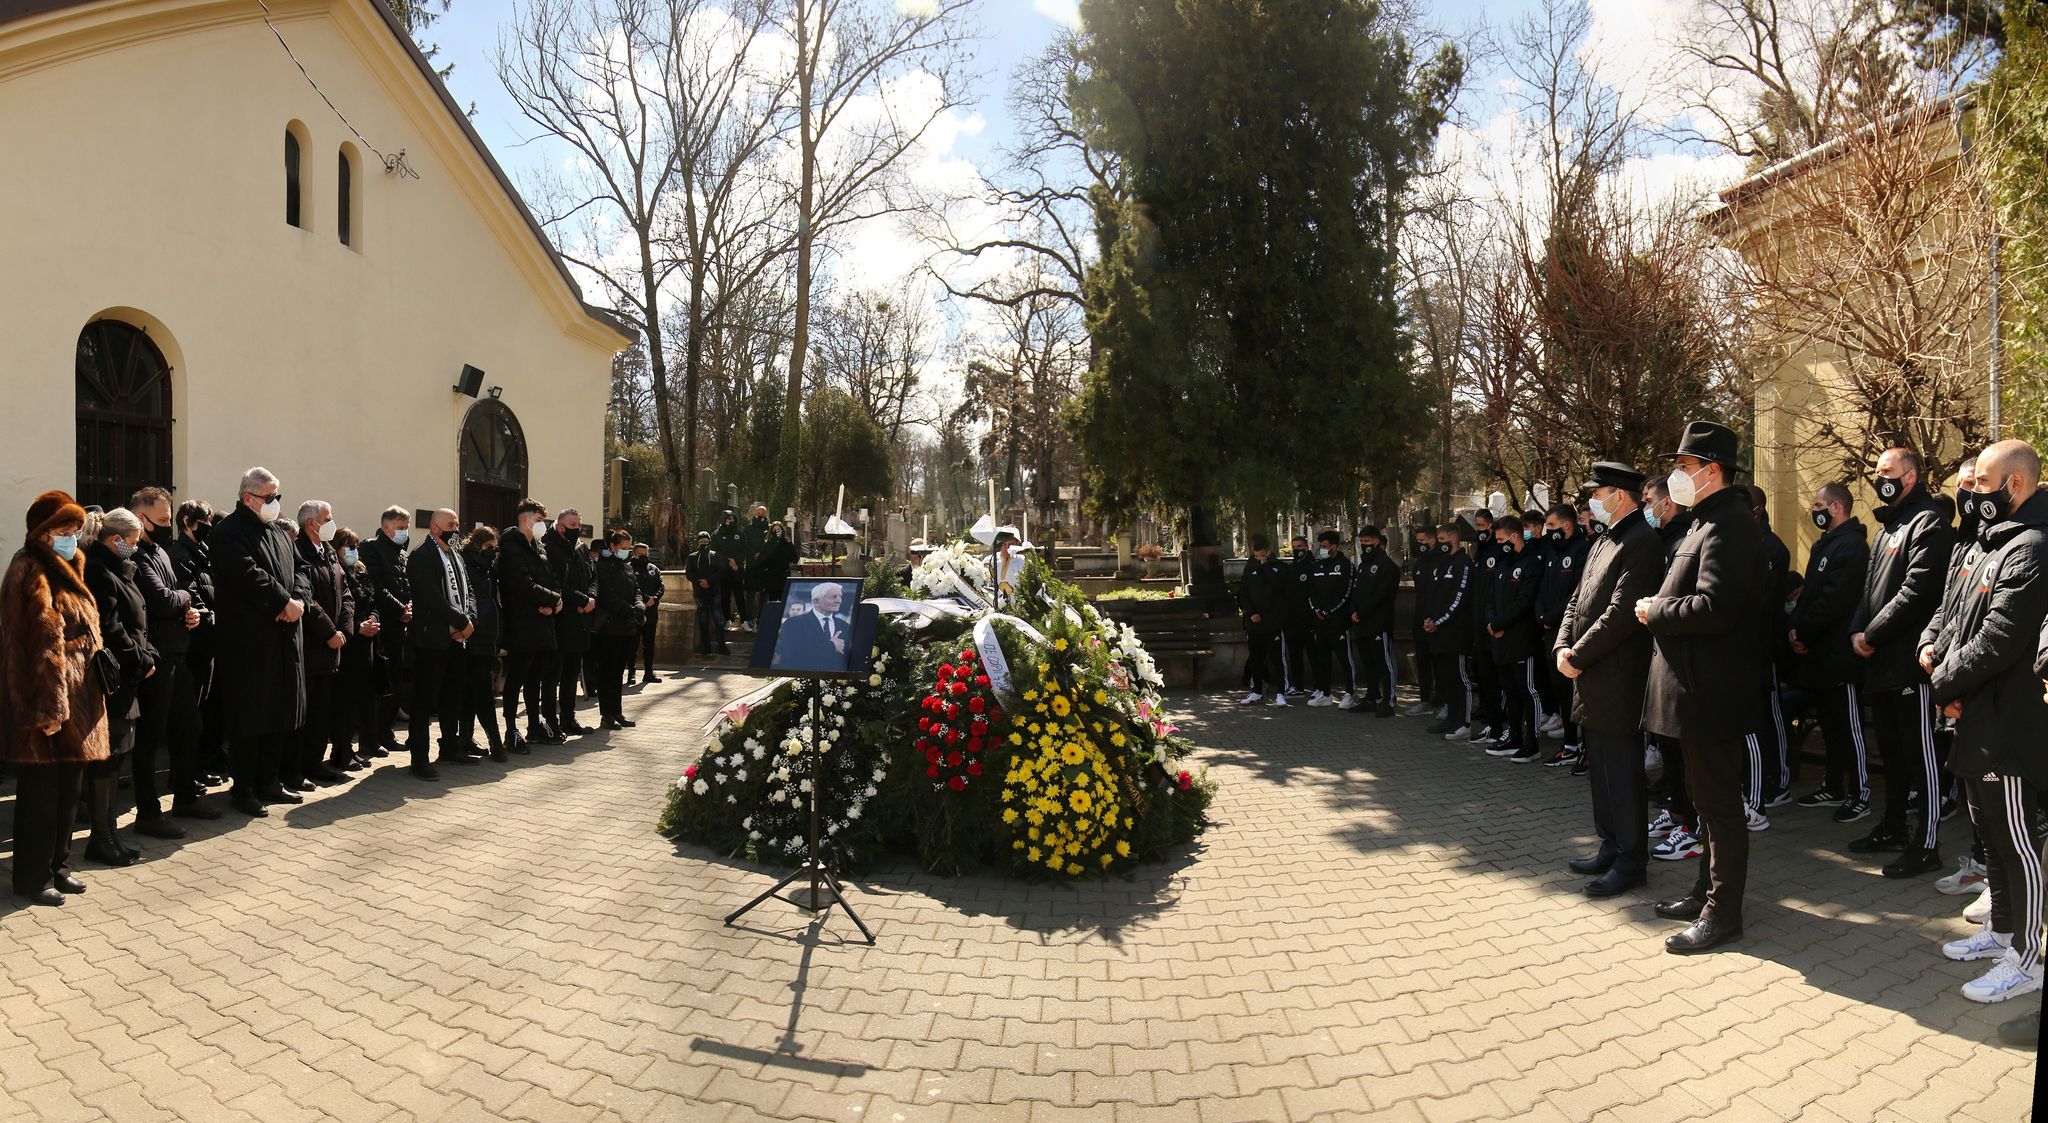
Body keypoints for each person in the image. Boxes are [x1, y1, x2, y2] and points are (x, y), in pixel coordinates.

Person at [1920, 438, 2048, 1004]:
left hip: (2008, 725)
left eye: (1984, 484)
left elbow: (2000, 637)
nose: (1973, 495)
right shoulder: (1989, 542)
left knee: (2016, 842)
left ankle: (2027, 958)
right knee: (1991, 836)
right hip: (1975, 716)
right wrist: (1934, 658)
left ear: (2015, 484)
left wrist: (1945, 684)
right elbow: (1955, 616)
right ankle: (2001, 931)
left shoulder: (2032, 547)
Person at [1636, 421, 1765, 954]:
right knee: (1703, 801)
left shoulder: (1729, 525)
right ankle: (1703, 892)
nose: (1677, 475)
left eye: (1685, 466)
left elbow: (1716, 607)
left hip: (1710, 692)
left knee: (1719, 805)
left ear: (1712, 470)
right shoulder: (1704, 521)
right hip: (1692, 691)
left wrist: (1656, 610)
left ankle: (1723, 913)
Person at [1845, 447, 1955, 877]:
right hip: (1880, 664)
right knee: (1890, 752)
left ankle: (1926, 844)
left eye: (1886, 471)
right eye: (1876, 471)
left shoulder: (1929, 522)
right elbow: (1868, 588)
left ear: (1909, 476)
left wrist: (1870, 635)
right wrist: (1857, 630)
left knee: (1920, 755)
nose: (1879, 478)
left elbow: (1917, 592)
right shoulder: (1888, 526)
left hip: (1910, 664)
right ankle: (1892, 827)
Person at [1556, 462, 1661, 897]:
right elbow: (1577, 599)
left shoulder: (1642, 542)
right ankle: (1610, 844)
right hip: (1590, 674)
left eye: (1597, 494)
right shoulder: (1602, 540)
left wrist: (1577, 655)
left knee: (1621, 773)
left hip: (1618, 677)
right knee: (1600, 771)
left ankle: (1632, 860)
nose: (1592, 501)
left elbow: (1621, 614)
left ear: (1619, 495)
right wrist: (1562, 645)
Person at [1, 491, 110, 904]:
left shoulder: (69, 566)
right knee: (40, 799)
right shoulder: (28, 570)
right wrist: (49, 709)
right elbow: (36, 648)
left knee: (68, 794)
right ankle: (32, 877)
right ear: (43, 532)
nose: (73, 537)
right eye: (65, 530)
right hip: (46, 701)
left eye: (76, 530)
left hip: (78, 700)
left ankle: (58, 866)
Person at [210, 468, 308, 818]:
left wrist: (298, 601)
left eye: (277, 496)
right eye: (269, 497)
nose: (275, 502)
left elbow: (301, 569)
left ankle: (270, 781)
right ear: (248, 498)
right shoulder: (228, 532)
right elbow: (247, 574)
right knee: (250, 717)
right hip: (250, 641)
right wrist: (282, 603)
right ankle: (244, 789)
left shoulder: (278, 532)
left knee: (280, 712)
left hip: (285, 636)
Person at [129, 486, 214, 828]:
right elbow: (163, 600)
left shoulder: (161, 553)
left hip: (178, 653)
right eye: (162, 520)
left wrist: (188, 609)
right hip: (156, 657)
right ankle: (148, 813)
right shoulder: (136, 556)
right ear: (141, 518)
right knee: (150, 737)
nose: (168, 525)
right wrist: (183, 601)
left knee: (188, 727)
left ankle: (185, 797)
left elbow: (179, 593)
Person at [1790, 483, 1873, 822]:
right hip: (1820, 656)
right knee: (1830, 726)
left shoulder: (1852, 546)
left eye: (1818, 504)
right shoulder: (1825, 545)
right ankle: (1833, 785)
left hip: (1841, 658)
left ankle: (1860, 793)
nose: (1814, 510)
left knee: (1849, 727)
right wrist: (1795, 629)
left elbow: (1834, 601)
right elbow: (1809, 594)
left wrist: (1804, 630)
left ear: (1836, 507)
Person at [82, 508, 156, 867]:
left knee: (116, 758)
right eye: (133, 541)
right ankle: (101, 838)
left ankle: (110, 835)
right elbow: (111, 628)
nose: (136, 547)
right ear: (116, 540)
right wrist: (141, 660)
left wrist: (148, 653)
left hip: (128, 679)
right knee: (106, 761)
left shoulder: (119, 568)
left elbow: (138, 622)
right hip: (112, 680)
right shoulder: (99, 570)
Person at [405, 508, 477, 779]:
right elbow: (432, 598)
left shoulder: (456, 555)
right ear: (435, 528)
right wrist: (461, 622)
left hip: (457, 640)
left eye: (457, 524)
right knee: (424, 701)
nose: (456, 529)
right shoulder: (421, 556)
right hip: (431, 640)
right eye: (450, 525)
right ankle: (419, 758)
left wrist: (469, 620)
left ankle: (449, 747)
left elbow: (469, 591)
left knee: (453, 696)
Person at [289, 501, 353, 792]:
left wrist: (345, 629)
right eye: (327, 518)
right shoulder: (298, 551)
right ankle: (295, 768)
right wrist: (328, 631)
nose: (332, 523)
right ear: (311, 523)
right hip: (311, 645)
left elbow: (345, 592)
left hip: (332, 647)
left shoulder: (327, 552)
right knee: (304, 714)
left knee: (321, 713)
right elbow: (306, 599)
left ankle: (314, 763)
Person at [1745, 484, 1796, 815]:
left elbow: (1765, 601)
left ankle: (1781, 778)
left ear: (1757, 511)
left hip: (1766, 645)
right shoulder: (1744, 543)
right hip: (1747, 646)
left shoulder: (1773, 548)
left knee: (1773, 713)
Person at [498, 500, 563, 748]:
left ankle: (534, 725)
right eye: (539, 520)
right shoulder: (511, 548)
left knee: (536, 679)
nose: (543, 525)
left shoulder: (539, 547)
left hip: (543, 623)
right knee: (517, 679)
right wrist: (552, 599)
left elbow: (551, 578)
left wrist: (554, 602)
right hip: (522, 624)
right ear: (525, 520)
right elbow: (521, 584)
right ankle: (511, 730)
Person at [1480, 515, 1544, 762]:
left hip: (1521, 639)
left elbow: (1524, 602)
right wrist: (1491, 623)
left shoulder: (1532, 563)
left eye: (1500, 539)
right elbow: (1490, 599)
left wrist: (1498, 624)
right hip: (1500, 641)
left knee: (1527, 690)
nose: (1498, 544)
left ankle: (1532, 742)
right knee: (1510, 691)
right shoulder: (1503, 564)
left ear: (1514, 536)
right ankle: (1514, 736)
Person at [1535, 504, 1590, 767]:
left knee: (1575, 694)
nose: (1548, 531)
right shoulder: (1551, 551)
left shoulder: (1582, 550)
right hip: (1550, 634)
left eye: (1552, 526)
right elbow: (1542, 588)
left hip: (1569, 633)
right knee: (1560, 693)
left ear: (1566, 525)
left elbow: (1577, 594)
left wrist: (1551, 617)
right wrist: (1541, 615)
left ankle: (1583, 748)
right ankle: (1569, 744)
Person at [329, 528, 385, 770]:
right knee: (345, 701)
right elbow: (339, 607)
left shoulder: (360, 570)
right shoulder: (336, 570)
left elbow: (372, 601)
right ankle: (341, 750)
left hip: (366, 643)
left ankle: (362, 743)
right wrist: (357, 626)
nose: (353, 551)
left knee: (364, 697)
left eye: (355, 546)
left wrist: (372, 619)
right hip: (348, 643)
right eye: (348, 547)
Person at [360, 506, 413, 752]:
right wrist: (399, 609)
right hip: (381, 624)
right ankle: (370, 738)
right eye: (401, 527)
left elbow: (406, 584)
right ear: (386, 527)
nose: (405, 532)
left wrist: (409, 606)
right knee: (378, 685)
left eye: (406, 527)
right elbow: (375, 585)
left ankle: (386, 732)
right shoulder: (370, 548)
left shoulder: (401, 552)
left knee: (395, 683)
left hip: (400, 626)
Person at [458, 527, 511, 761]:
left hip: (488, 638)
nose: (492, 551)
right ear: (477, 544)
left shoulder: (489, 568)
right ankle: (495, 742)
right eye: (488, 547)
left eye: (494, 548)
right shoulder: (467, 564)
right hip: (474, 636)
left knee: (472, 692)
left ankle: (466, 739)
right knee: (483, 693)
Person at [546, 509, 597, 736]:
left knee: (571, 674)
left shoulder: (581, 548)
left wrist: (591, 599)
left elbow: (593, 576)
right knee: (553, 675)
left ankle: (568, 719)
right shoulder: (549, 547)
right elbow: (555, 582)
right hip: (561, 620)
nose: (576, 528)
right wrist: (581, 600)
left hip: (581, 620)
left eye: (578, 524)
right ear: (560, 526)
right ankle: (550, 722)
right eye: (572, 524)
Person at [1423, 525, 1475, 738]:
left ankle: (1464, 722)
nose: (1439, 543)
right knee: (1447, 678)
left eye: (1442, 539)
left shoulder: (1464, 563)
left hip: (1456, 632)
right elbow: (1434, 595)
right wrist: (1429, 619)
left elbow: (1459, 598)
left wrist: (1439, 621)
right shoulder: (1443, 563)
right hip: (1439, 632)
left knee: (1460, 678)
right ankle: (1451, 719)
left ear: (1453, 539)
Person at [592, 529, 644, 730]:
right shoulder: (603, 566)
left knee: (618, 673)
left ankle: (617, 711)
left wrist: (639, 605)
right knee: (607, 673)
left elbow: (636, 589)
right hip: (610, 627)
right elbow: (607, 594)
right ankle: (607, 714)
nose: (626, 551)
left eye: (629, 548)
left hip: (627, 627)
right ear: (612, 546)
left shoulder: (627, 566)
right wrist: (630, 610)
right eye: (623, 547)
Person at [1301, 531, 1356, 708]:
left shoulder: (1346, 565)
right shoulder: (1318, 566)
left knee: (1344, 658)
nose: (1322, 549)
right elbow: (1311, 591)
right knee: (1322, 659)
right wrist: (1316, 610)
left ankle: (1350, 693)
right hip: (1320, 622)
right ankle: (1325, 693)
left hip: (1338, 621)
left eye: (1325, 546)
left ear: (1334, 546)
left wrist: (1329, 611)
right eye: (1320, 546)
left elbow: (1346, 593)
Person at [1348, 527, 1399, 717]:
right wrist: (1353, 610)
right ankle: (1372, 696)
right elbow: (1357, 591)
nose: (1365, 545)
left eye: (1368, 541)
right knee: (1368, 662)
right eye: (1362, 541)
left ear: (1377, 541)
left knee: (1384, 663)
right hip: (1362, 624)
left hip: (1379, 622)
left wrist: (1362, 611)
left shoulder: (1387, 566)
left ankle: (1389, 700)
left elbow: (1382, 594)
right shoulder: (1363, 565)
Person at [1237, 534, 1288, 707]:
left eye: (1262, 556)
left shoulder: (1279, 567)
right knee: (1255, 659)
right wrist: (1251, 613)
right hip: (1254, 623)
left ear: (1268, 552)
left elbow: (1278, 586)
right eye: (1256, 556)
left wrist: (1265, 566)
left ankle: (1281, 692)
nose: (1259, 559)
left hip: (1273, 622)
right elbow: (1243, 594)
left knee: (1277, 659)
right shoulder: (1249, 568)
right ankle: (1256, 691)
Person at [773, 581, 851, 671]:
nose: (839, 601)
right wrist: (832, 646)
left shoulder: (845, 626)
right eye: (834, 596)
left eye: (840, 596)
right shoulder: (793, 624)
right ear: (816, 601)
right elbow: (794, 655)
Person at [1405, 525, 1439, 715]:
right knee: (1423, 663)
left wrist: (1434, 618)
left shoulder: (1442, 562)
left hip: (1437, 621)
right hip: (1420, 620)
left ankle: (1443, 700)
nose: (1419, 545)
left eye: (1422, 541)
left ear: (1432, 540)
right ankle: (1424, 699)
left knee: (1440, 664)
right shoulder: (1418, 565)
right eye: (1417, 541)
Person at [686, 531, 729, 656]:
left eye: (705, 541)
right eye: (701, 541)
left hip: (714, 592)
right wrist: (700, 582)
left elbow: (721, 571)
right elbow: (689, 573)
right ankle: (705, 647)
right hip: (700, 593)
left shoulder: (716, 555)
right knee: (703, 620)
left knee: (718, 620)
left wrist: (709, 581)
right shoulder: (692, 557)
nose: (703, 543)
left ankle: (722, 646)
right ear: (697, 543)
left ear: (709, 542)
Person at [628, 542, 663, 686]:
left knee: (649, 643)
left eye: (645, 553)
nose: (643, 556)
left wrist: (654, 598)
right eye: (640, 554)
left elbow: (661, 586)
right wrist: (644, 599)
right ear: (634, 553)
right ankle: (631, 672)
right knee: (633, 643)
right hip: (636, 611)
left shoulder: (653, 569)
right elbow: (631, 587)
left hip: (651, 611)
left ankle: (649, 672)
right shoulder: (628, 568)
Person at [752, 520, 798, 628]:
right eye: (774, 530)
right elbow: (762, 560)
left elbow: (794, 558)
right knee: (772, 601)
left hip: (783, 576)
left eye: (778, 530)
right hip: (771, 577)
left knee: (783, 601)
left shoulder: (787, 544)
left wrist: (784, 550)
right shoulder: (768, 544)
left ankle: (784, 624)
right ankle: (772, 624)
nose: (777, 532)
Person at [711, 509, 745, 630]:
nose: (731, 521)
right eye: (729, 519)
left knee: (740, 597)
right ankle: (726, 620)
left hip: (737, 570)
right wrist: (728, 561)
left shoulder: (740, 534)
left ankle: (744, 621)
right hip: (724, 571)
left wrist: (736, 561)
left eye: (733, 519)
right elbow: (714, 552)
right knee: (725, 597)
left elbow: (744, 550)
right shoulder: (716, 534)